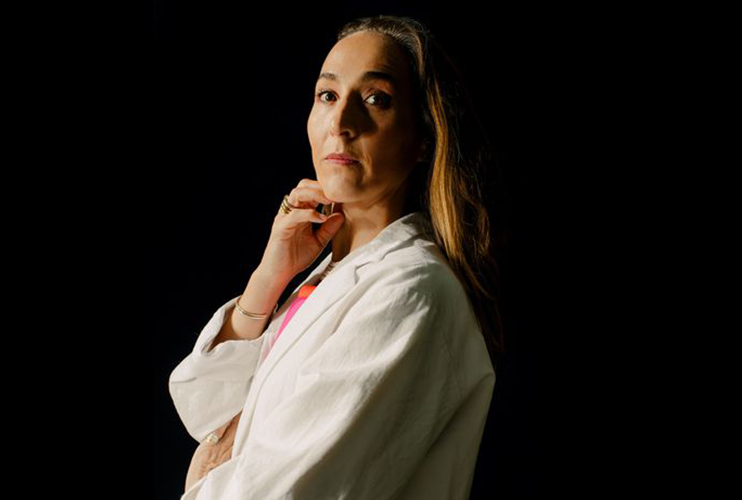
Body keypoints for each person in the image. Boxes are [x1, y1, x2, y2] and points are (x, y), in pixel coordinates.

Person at [169, 14, 508, 500]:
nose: (342, 123)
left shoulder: (411, 291)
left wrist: (201, 480)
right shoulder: (328, 277)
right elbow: (202, 406)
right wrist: (269, 278)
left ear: (422, 139)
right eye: (328, 95)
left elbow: (281, 491)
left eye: (376, 99)